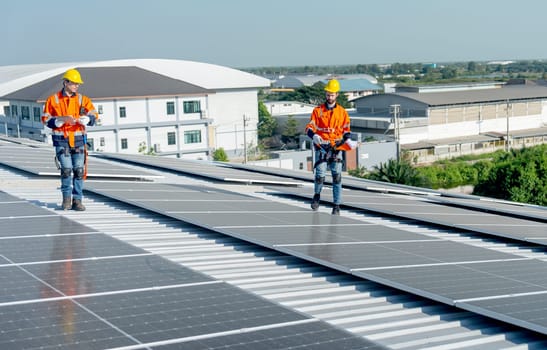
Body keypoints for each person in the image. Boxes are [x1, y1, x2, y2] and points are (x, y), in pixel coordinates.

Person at [42, 68, 98, 211]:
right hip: (62, 141)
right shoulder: (53, 100)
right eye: (74, 83)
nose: (76, 86)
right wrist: (58, 121)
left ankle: (77, 201)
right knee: (66, 170)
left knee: (79, 171)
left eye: (78, 84)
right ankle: (66, 200)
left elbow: (94, 115)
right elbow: (45, 118)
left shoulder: (82, 99)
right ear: (66, 82)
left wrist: (88, 119)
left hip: (78, 141)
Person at [305, 79, 356, 215]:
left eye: (332, 94)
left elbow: (346, 130)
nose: (329, 97)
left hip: (336, 147)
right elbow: (309, 127)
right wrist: (314, 136)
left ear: (336, 95)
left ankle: (337, 205)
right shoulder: (318, 111)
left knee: (337, 176)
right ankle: (317, 195)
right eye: (328, 94)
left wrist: (348, 140)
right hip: (322, 146)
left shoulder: (342, 112)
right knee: (320, 175)